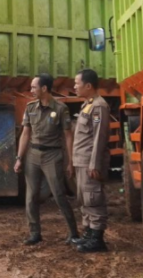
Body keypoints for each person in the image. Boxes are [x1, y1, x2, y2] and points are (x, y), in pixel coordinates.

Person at [14, 73, 79, 246]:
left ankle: (73, 233)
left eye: (34, 87)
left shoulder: (60, 108)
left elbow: (68, 136)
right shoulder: (30, 107)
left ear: (44, 88)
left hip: (53, 155)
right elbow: (25, 134)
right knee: (31, 196)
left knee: (59, 194)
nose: (31, 90)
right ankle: (34, 233)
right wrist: (19, 158)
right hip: (33, 155)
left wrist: (70, 161)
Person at [69, 69, 111, 253]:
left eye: (77, 83)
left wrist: (95, 164)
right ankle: (88, 233)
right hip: (82, 161)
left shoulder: (99, 106)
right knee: (84, 199)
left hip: (89, 162)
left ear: (88, 85)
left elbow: (99, 138)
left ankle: (97, 239)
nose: (74, 87)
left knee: (93, 198)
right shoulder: (88, 104)